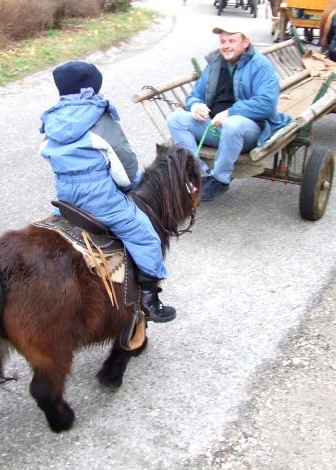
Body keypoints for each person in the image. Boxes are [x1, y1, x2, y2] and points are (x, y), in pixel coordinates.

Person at [39, 61, 175, 322]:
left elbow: (47, 154)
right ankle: (149, 298)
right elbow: (125, 165)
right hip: (102, 202)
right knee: (145, 235)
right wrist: (130, 185)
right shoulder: (100, 117)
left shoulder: (52, 120)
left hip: (66, 199)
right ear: (92, 88)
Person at [167, 24, 291, 202]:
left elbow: (266, 104)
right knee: (176, 119)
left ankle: (220, 179)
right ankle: (200, 174)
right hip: (214, 126)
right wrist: (195, 106)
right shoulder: (215, 64)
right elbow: (195, 95)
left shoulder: (261, 65)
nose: (226, 46)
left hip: (247, 131)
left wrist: (230, 112)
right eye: (223, 41)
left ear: (245, 42)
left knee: (233, 124)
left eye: (232, 41)